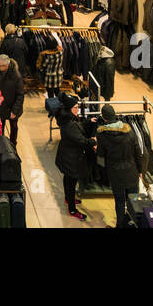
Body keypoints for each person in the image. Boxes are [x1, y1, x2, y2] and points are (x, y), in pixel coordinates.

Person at [96, 104, 145, 227]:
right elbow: (138, 153)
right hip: (131, 171)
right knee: (133, 200)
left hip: (115, 173)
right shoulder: (129, 132)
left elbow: (101, 157)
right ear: (115, 115)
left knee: (119, 201)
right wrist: (140, 170)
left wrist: (103, 173)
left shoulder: (102, 135)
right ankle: (133, 224)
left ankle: (120, 225)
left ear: (104, 118)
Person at [54, 93, 92, 221]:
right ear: (70, 108)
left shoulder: (68, 119)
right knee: (72, 182)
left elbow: (77, 127)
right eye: (75, 107)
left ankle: (67, 199)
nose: (78, 109)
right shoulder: (69, 124)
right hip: (71, 158)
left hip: (67, 155)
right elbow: (81, 141)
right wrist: (93, 141)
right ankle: (72, 209)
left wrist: (88, 122)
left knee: (68, 179)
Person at [0, 53, 24, 146]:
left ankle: (13, 144)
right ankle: (0, 144)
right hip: (1, 105)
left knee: (13, 127)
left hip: (12, 106)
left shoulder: (16, 76)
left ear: (6, 66)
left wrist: (14, 111)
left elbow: (20, 95)